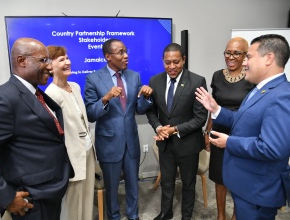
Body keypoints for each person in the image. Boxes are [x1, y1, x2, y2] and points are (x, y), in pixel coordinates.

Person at [0, 38, 73, 220]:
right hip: (31, 199)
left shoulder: (36, 93)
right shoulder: (4, 98)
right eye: (43, 60)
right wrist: (5, 197)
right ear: (22, 61)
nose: (49, 67)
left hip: (49, 191)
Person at [195, 34, 290, 219]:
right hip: (247, 185)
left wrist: (230, 142)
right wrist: (216, 110)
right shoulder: (260, 88)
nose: (245, 62)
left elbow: (272, 148)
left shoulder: (282, 96)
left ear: (269, 58)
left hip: (258, 190)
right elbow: (243, 120)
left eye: (249, 57)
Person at [84, 38, 153, 220]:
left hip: (131, 140)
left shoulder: (134, 76)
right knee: (112, 185)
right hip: (108, 143)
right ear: (108, 56)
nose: (126, 55)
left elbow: (138, 108)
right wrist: (105, 98)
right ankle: (113, 216)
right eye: (120, 52)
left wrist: (145, 98)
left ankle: (133, 214)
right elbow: (90, 113)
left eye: (126, 51)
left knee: (133, 183)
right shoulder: (93, 79)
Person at [146, 43, 208, 220]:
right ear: (162, 61)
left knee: (188, 184)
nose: (171, 67)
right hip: (165, 144)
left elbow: (200, 118)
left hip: (187, 144)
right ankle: (166, 212)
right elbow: (151, 111)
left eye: (176, 62)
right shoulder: (155, 81)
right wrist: (159, 128)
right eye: (167, 63)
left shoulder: (197, 81)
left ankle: (186, 216)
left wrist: (174, 129)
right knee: (167, 181)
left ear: (184, 60)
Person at [203, 37, 254, 220]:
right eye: (228, 52)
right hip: (218, 131)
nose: (230, 57)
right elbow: (212, 106)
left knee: (239, 177)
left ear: (245, 55)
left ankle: (235, 216)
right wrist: (207, 131)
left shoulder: (251, 78)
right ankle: (221, 216)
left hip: (241, 134)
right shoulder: (217, 76)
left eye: (236, 53)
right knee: (219, 177)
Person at [44, 46, 96, 220]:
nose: (68, 62)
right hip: (71, 155)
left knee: (88, 196)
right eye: (61, 60)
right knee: (73, 202)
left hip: (87, 150)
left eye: (67, 58)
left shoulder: (75, 87)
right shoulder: (51, 94)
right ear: (50, 66)